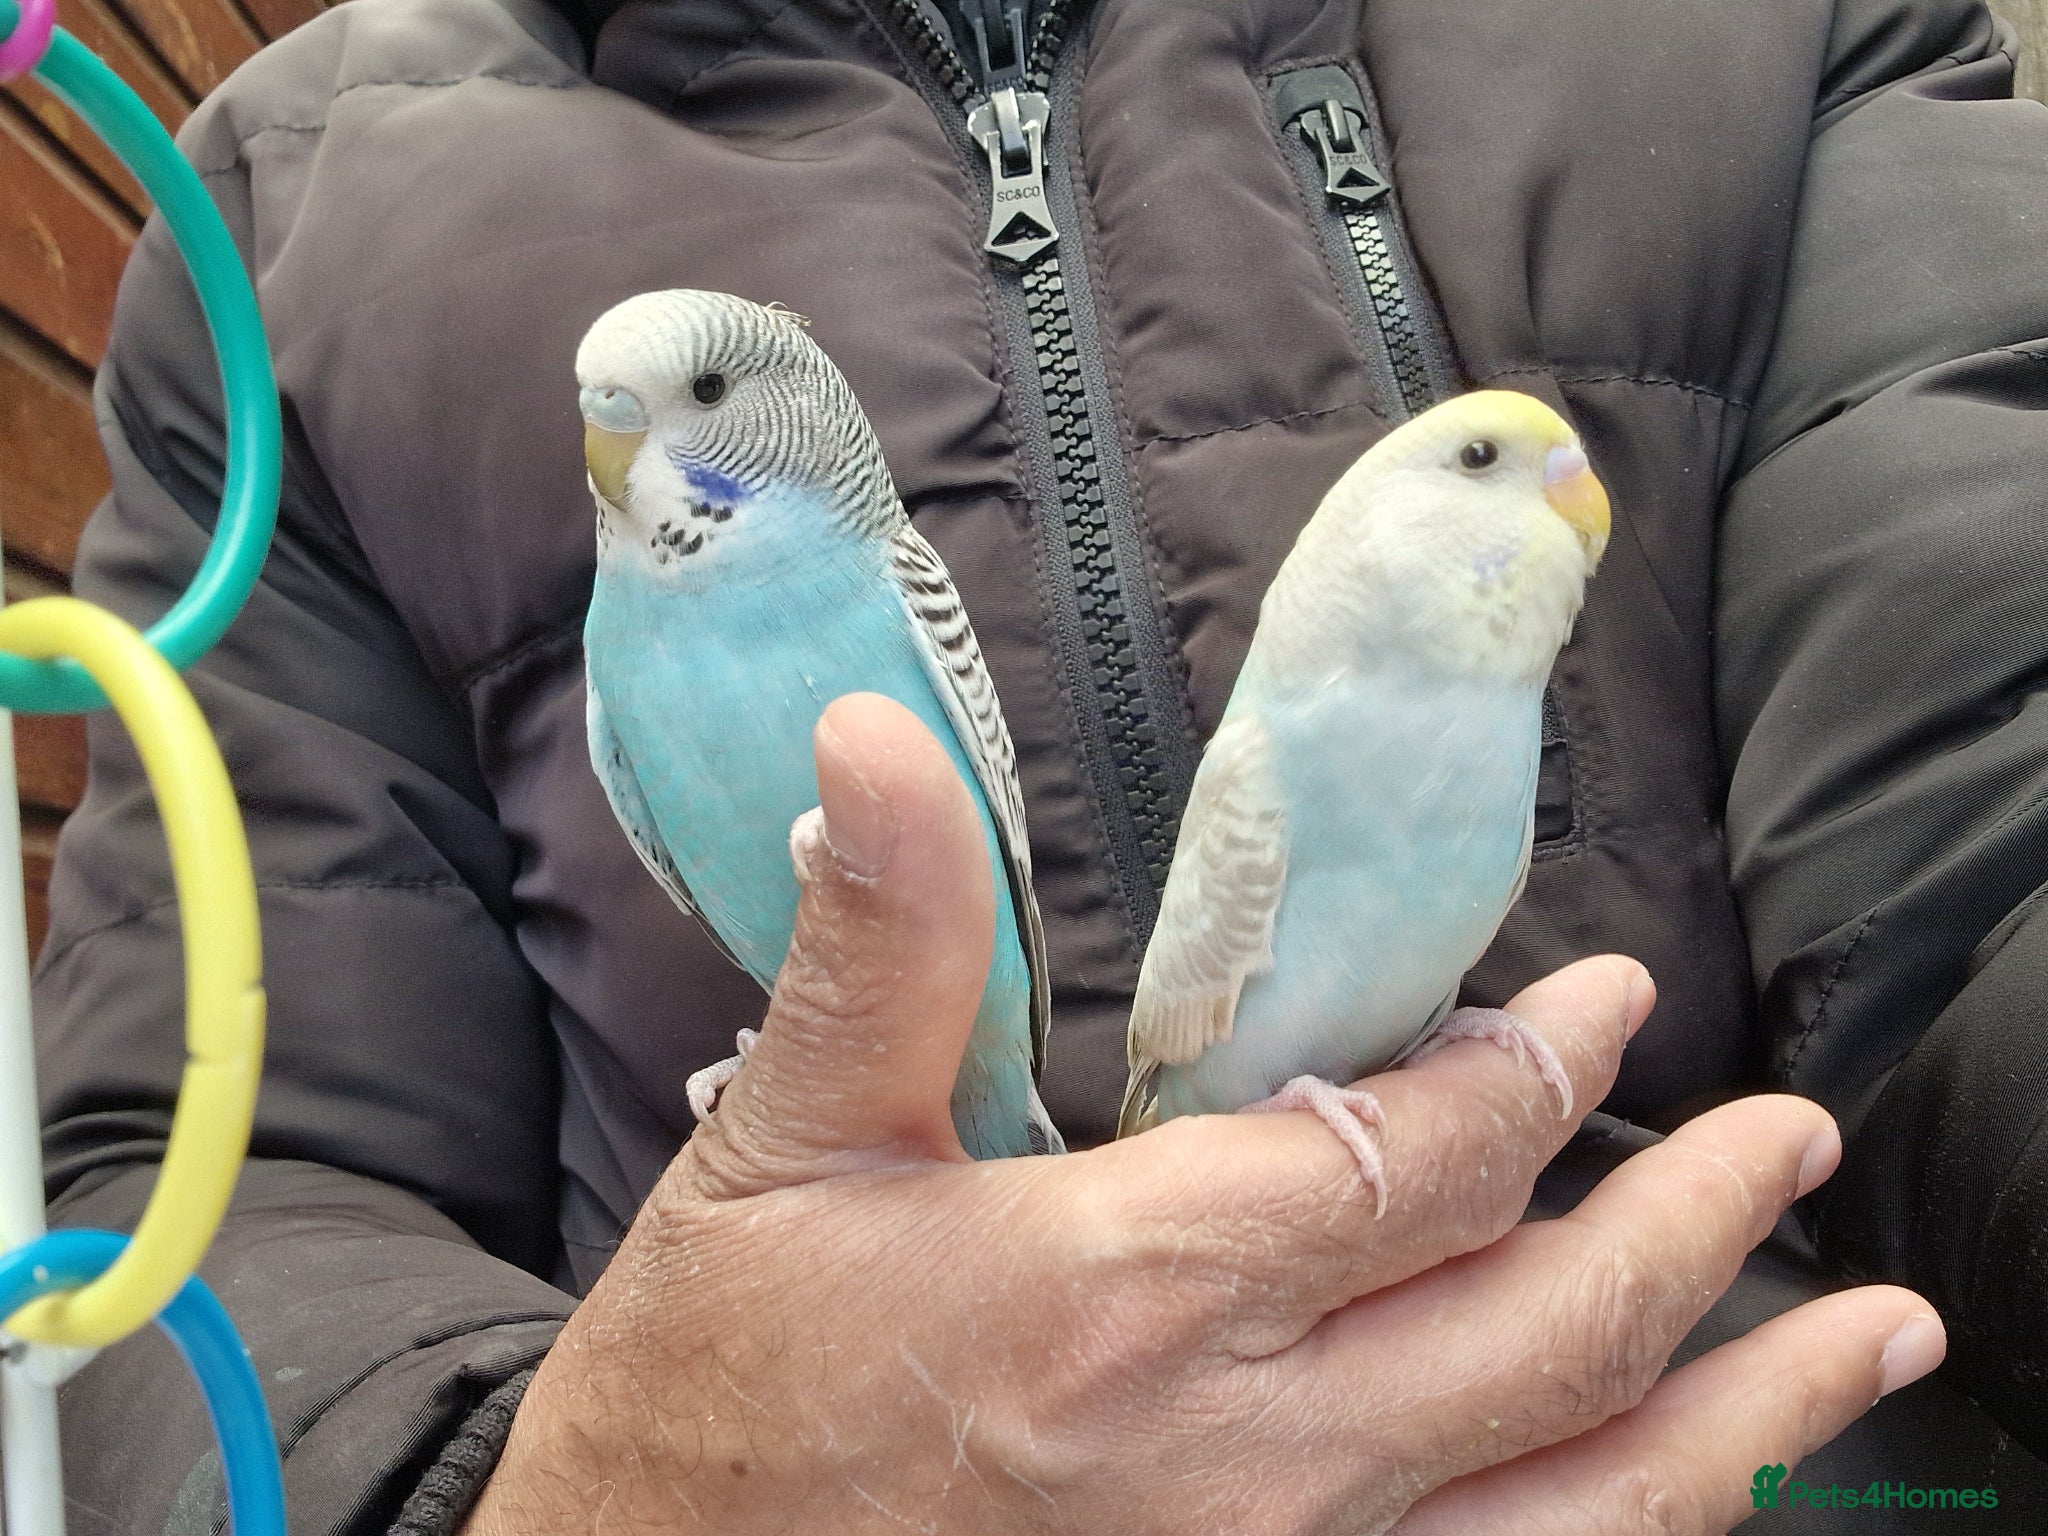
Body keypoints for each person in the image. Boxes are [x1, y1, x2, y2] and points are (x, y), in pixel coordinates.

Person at [30, 0, 2048, 1528]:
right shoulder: (276, 221)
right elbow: (185, 1184)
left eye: (688, 399)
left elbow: (1987, 840)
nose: (630, 447)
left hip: (1732, 1422)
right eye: (613, 416)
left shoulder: (1785, 32)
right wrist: (549, 1477)